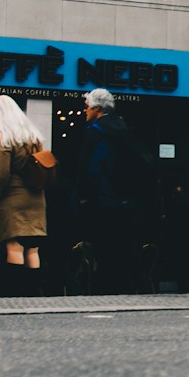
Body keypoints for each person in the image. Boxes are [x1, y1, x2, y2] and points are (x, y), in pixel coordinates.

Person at [66, 89, 149, 293]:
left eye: (87, 106)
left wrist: (84, 196)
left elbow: (90, 166)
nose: (85, 111)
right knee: (122, 247)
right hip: (125, 201)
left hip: (101, 200)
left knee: (102, 248)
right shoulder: (125, 129)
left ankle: (105, 289)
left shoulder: (96, 131)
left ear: (96, 108)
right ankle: (125, 286)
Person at [0, 95, 52, 293]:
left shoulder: (4, 139)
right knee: (32, 248)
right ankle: (34, 293)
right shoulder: (34, 137)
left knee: (14, 246)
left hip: (13, 199)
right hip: (36, 199)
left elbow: (0, 174)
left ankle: (14, 293)